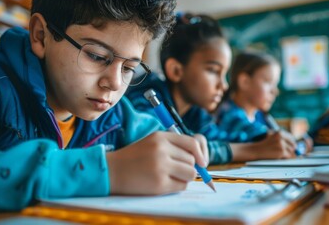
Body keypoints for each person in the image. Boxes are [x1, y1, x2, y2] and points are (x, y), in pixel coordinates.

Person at [0, 0, 208, 211]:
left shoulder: (115, 114)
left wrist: (190, 147)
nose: (114, 83)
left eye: (128, 68)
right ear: (40, 35)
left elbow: (160, 141)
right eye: (98, 56)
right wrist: (111, 170)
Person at [126, 13, 297, 163]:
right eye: (214, 71)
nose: (224, 85)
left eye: (224, 74)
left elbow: (221, 139)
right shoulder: (146, 97)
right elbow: (164, 147)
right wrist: (255, 150)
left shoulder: (194, 113)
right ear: (176, 70)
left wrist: (265, 138)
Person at [215, 51, 310, 156]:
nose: (275, 91)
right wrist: (296, 144)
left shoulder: (261, 116)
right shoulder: (229, 114)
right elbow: (270, 140)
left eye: (275, 84)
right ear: (244, 81)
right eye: (268, 82)